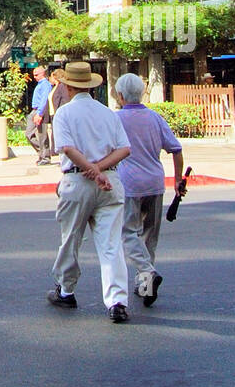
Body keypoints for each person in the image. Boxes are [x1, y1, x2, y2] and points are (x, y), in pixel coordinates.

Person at [47, 60, 132, 324]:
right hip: (110, 180)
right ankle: (117, 300)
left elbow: (68, 149)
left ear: (68, 86)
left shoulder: (64, 113)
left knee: (71, 239)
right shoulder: (108, 113)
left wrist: (91, 171)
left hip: (78, 182)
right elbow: (123, 149)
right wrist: (100, 170)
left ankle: (66, 289)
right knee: (111, 245)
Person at [115, 73, 185, 306]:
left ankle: (147, 272)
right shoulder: (155, 118)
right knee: (149, 235)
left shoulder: (116, 119)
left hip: (130, 184)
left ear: (121, 95)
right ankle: (145, 286)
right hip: (155, 183)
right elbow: (175, 149)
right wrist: (177, 180)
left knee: (128, 234)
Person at [25, 65, 52, 165]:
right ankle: (42, 153)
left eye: (36, 75)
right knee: (29, 134)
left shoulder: (45, 85)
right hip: (34, 110)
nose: (35, 77)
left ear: (43, 73)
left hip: (40, 110)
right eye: (34, 75)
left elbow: (44, 100)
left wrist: (40, 113)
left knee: (42, 135)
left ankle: (45, 157)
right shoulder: (40, 84)